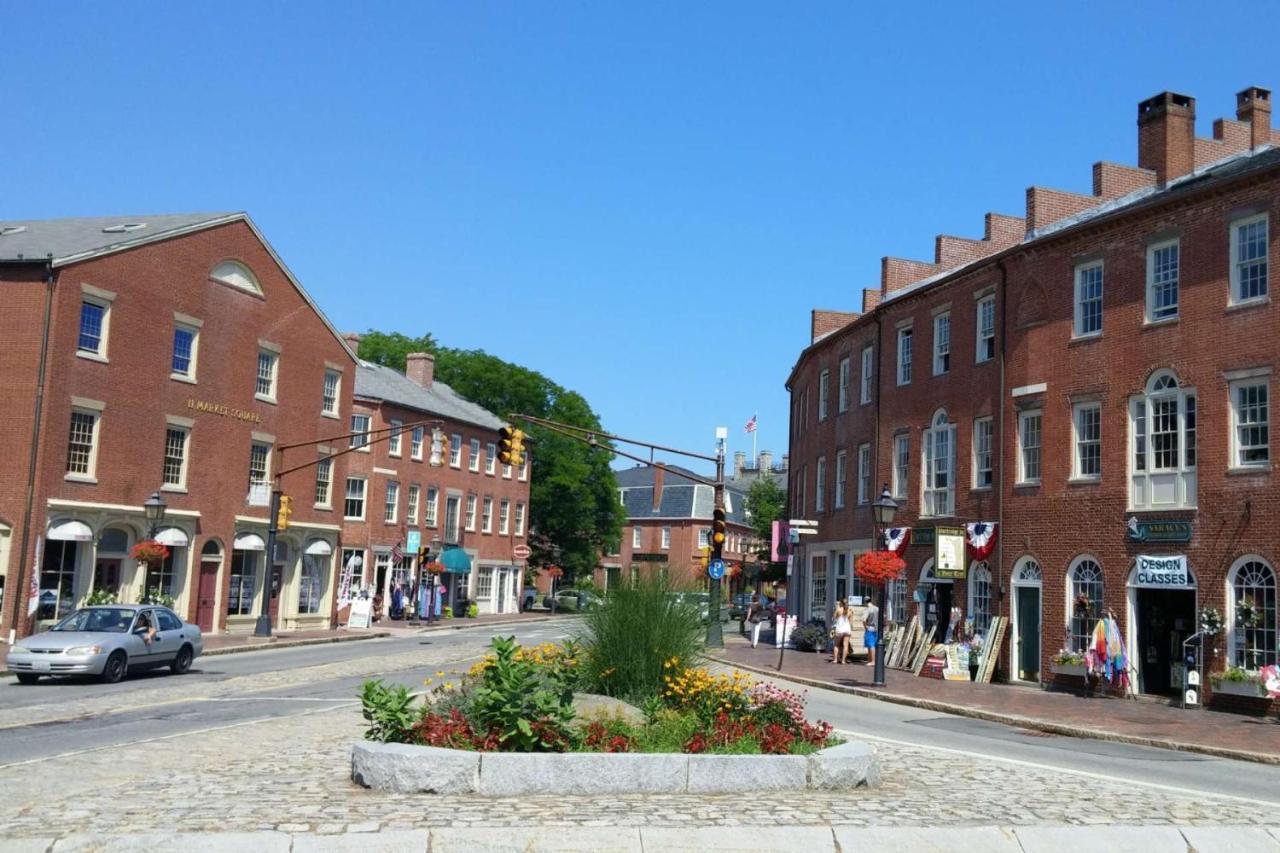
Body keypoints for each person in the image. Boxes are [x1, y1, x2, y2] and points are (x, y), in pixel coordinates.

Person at [863, 599, 880, 666]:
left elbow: (864, 620)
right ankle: (870, 660)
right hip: (877, 628)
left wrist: (865, 627)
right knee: (873, 644)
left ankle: (873, 661)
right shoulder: (877, 608)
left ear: (865, 602)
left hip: (870, 628)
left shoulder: (868, 609)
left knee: (871, 645)